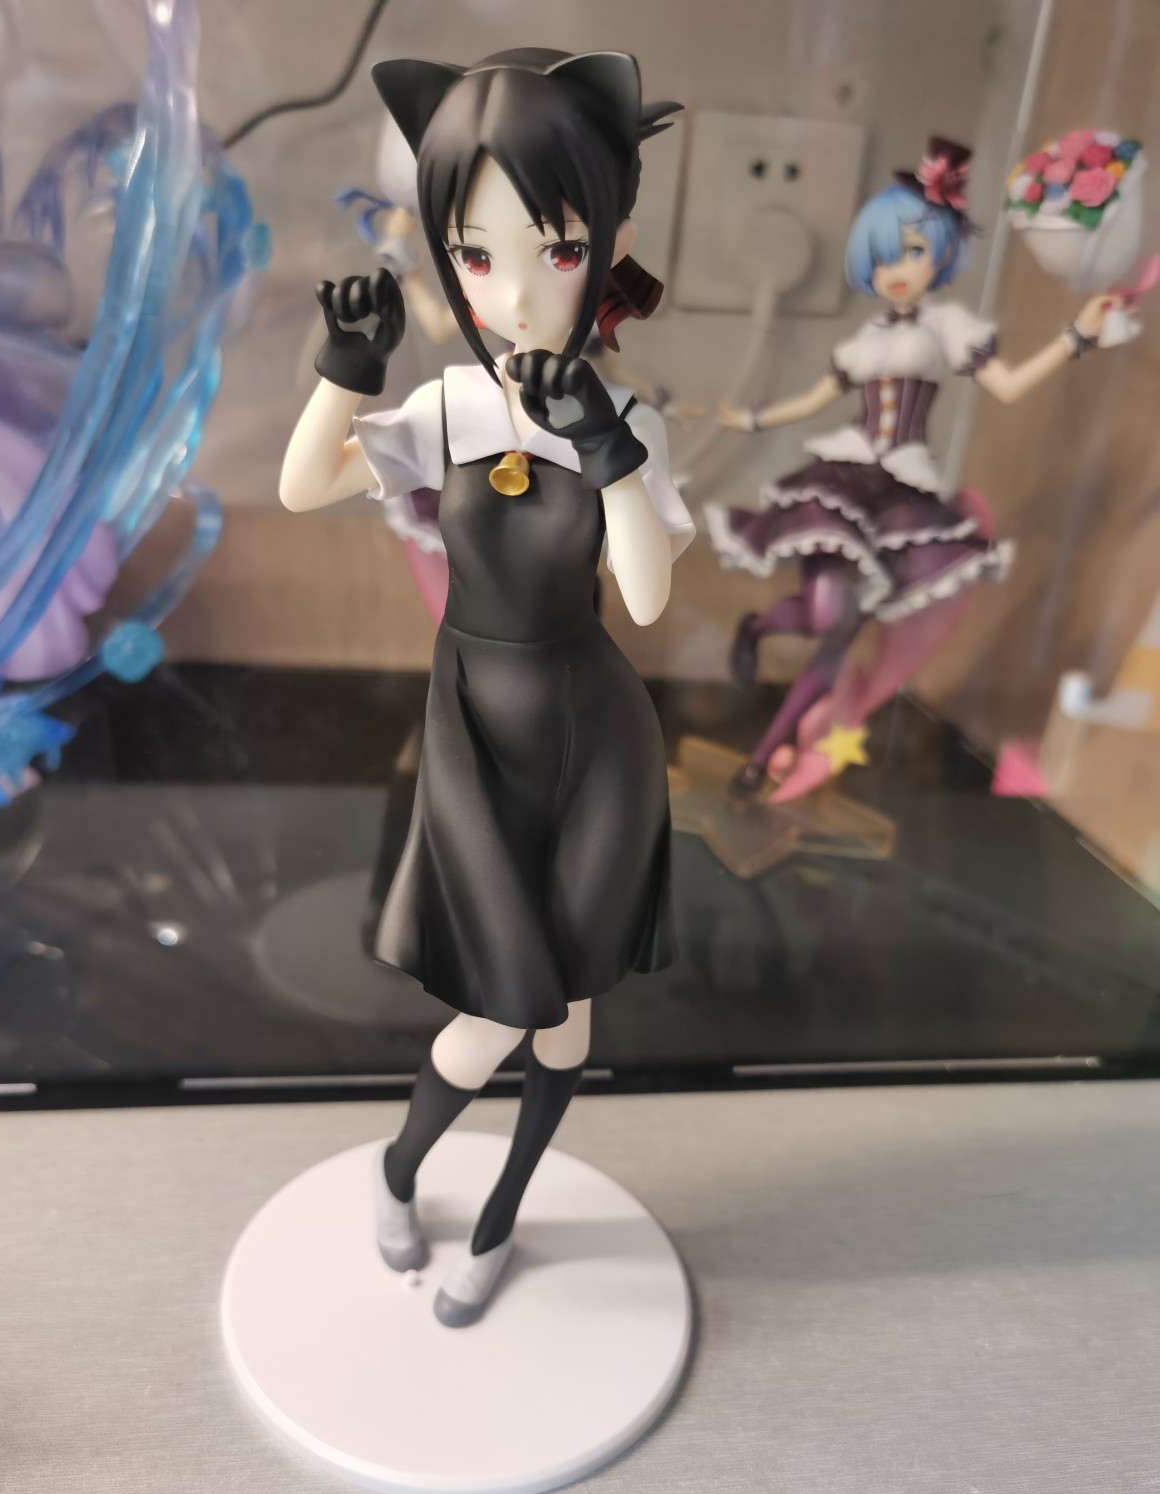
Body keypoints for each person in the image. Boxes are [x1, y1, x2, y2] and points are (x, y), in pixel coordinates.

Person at [279, 48, 692, 1325]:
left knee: (565, 1024)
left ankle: (503, 1213)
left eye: (556, 250)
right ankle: (401, 1169)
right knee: (499, 1012)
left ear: (607, 241)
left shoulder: (627, 419)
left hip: (596, 736)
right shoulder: (453, 404)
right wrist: (344, 370)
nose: (515, 294)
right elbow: (303, 487)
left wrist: (611, 453)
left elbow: (647, 598)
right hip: (474, 726)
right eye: (476, 254)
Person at [706, 137, 1121, 798]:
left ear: (942, 253)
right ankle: (757, 628)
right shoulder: (865, 338)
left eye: (915, 251)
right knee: (822, 617)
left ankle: (760, 758)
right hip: (845, 481)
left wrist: (1077, 335)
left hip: (902, 491)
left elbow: (1008, 385)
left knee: (839, 631)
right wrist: (750, 419)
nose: (897, 269)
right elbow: (813, 399)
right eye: (883, 256)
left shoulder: (948, 326)